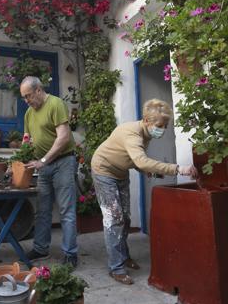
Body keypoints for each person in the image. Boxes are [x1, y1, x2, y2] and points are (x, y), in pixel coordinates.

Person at [91, 98, 198, 285]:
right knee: (113, 218)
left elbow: (133, 159)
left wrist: (147, 170)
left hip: (120, 172)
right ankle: (116, 267)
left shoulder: (145, 134)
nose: (163, 129)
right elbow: (140, 160)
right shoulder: (133, 134)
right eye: (160, 125)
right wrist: (177, 168)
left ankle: (123, 257)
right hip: (103, 170)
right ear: (146, 121)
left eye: (165, 125)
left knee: (125, 217)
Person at [20, 76, 79, 267]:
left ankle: (70, 254)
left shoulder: (56, 104)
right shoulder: (29, 113)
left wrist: (43, 160)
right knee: (43, 210)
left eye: (28, 96)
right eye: (24, 97)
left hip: (63, 162)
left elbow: (63, 138)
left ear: (39, 90)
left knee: (66, 210)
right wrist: (24, 154)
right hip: (42, 165)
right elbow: (27, 138)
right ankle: (40, 248)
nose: (26, 100)